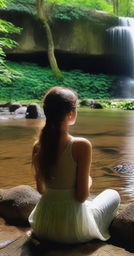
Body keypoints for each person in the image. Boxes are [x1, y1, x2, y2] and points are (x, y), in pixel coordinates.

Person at [29, 86, 120, 244]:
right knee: (113, 194)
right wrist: (89, 181)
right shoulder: (80, 145)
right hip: (72, 232)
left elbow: (41, 189)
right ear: (70, 113)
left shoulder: (38, 145)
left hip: (43, 227)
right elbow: (81, 196)